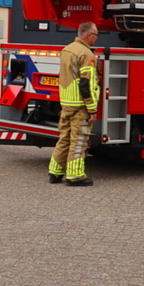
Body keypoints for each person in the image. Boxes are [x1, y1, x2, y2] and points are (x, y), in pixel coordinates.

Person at [49, 21, 100, 186]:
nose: (96, 39)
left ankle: (55, 173)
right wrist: (92, 109)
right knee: (79, 140)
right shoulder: (86, 54)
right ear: (88, 35)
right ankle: (75, 176)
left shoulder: (67, 49)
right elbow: (86, 84)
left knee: (64, 138)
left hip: (67, 103)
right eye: (96, 35)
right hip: (80, 106)